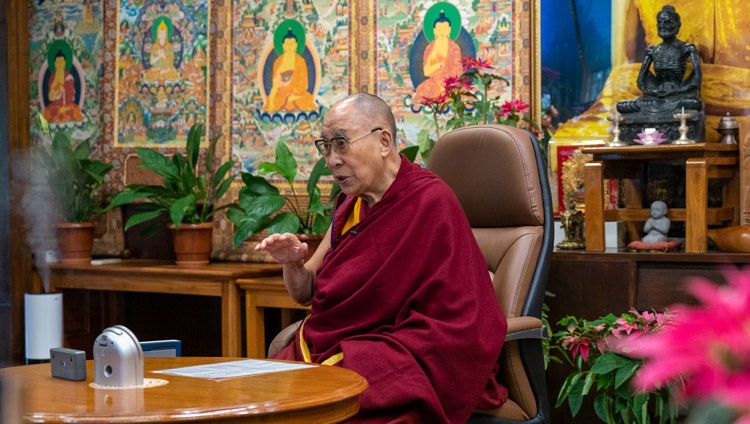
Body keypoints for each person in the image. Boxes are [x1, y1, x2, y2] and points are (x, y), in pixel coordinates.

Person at [256, 93, 508, 422]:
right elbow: (306, 291)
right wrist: (292, 263)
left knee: (330, 397)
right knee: (268, 394)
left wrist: (362, 350)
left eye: (341, 143)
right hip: (338, 344)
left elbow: (460, 321)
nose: (332, 160)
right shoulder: (351, 207)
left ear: (384, 141)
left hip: (410, 349)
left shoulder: (431, 202)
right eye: (326, 146)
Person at [616, 5, 702, 115]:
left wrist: (678, 91)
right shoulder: (652, 50)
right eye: (660, 22)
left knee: (694, 103)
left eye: (667, 22)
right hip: (656, 97)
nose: (663, 26)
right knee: (624, 106)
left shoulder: (686, 48)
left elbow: (697, 78)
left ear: (678, 26)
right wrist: (653, 92)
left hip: (679, 95)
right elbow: (641, 81)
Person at [413, 11, 463, 104]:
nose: (442, 32)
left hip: (450, 83)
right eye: (439, 29)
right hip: (434, 83)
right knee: (421, 90)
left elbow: (458, 71)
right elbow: (426, 71)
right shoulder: (430, 48)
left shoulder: (454, 47)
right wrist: (438, 65)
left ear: (449, 30)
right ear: (434, 31)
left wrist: (446, 80)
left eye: (445, 28)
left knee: (457, 92)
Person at [262, 28, 317, 113]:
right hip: (281, 94)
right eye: (287, 44)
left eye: (292, 44)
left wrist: (294, 93)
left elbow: (304, 83)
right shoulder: (278, 62)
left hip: (297, 95)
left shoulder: (300, 61)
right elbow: (275, 85)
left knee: (307, 99)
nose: (290, 47)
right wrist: (273, 100)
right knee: (270, 100)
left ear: (296, 45)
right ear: (283, 46)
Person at [43, 49, 84, 123]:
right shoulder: (52, 78)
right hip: (55, 106)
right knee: (47, 112)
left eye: (61, 62)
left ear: (64, 63)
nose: (59, 65)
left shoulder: (69, 77)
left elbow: (71, 97)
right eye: (57, 62)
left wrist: (63, 90)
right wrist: (55, 87)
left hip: (67, 106)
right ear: (55, 64)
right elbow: (50, 97)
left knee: (74, 111)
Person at [143, 18, 181, 85]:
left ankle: (163, 73)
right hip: (156, 68)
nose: (162, 36)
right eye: (160, 34)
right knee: (149, 74)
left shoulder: (169, 46)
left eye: (164, 34)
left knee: (173, 74)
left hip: (167, 69)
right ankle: (161, 73)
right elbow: (151, 62)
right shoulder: (155, 47)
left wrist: (164, 57)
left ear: (166, 35)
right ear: (157, 34)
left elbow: (171, 62)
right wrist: (159, 56)